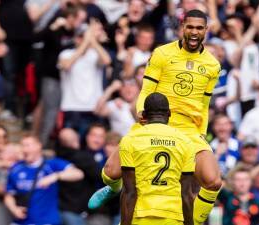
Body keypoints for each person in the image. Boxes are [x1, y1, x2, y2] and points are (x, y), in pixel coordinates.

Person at [89, 9, 223, 225]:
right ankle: (114, 188)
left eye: (199, 27)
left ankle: (194, 222)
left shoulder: (212, 65)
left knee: (213, 181)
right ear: (182, 28)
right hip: (158, 118)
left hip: (188, 128)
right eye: (190, 27)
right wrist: (142, 112)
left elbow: (204, 104)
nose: (194, 32)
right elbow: (147, 88)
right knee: (110, 172)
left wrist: (201, 134)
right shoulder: (162, 53)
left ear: (206, 30)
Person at [120, 92, 195, 225]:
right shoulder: (186, 142)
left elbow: (129, 192)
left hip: (141, 216)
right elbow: (186, 194)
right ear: (169, 113)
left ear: (143, 115)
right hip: (173, 217)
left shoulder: (130, 140)